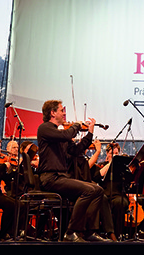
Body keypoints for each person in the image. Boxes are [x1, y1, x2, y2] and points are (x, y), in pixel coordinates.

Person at [36, 99, 105, 242]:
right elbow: (66, 135)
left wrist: (90, 133)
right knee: (89, 190)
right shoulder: (45, 128)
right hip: (50, 178)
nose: (64, 113)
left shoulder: (59, 134)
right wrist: (76, 125)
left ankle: (89, 232)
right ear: (52, 113)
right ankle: (71, 232)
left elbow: (76, 150)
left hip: (61, 177)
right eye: (61, 110)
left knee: (98, 190)